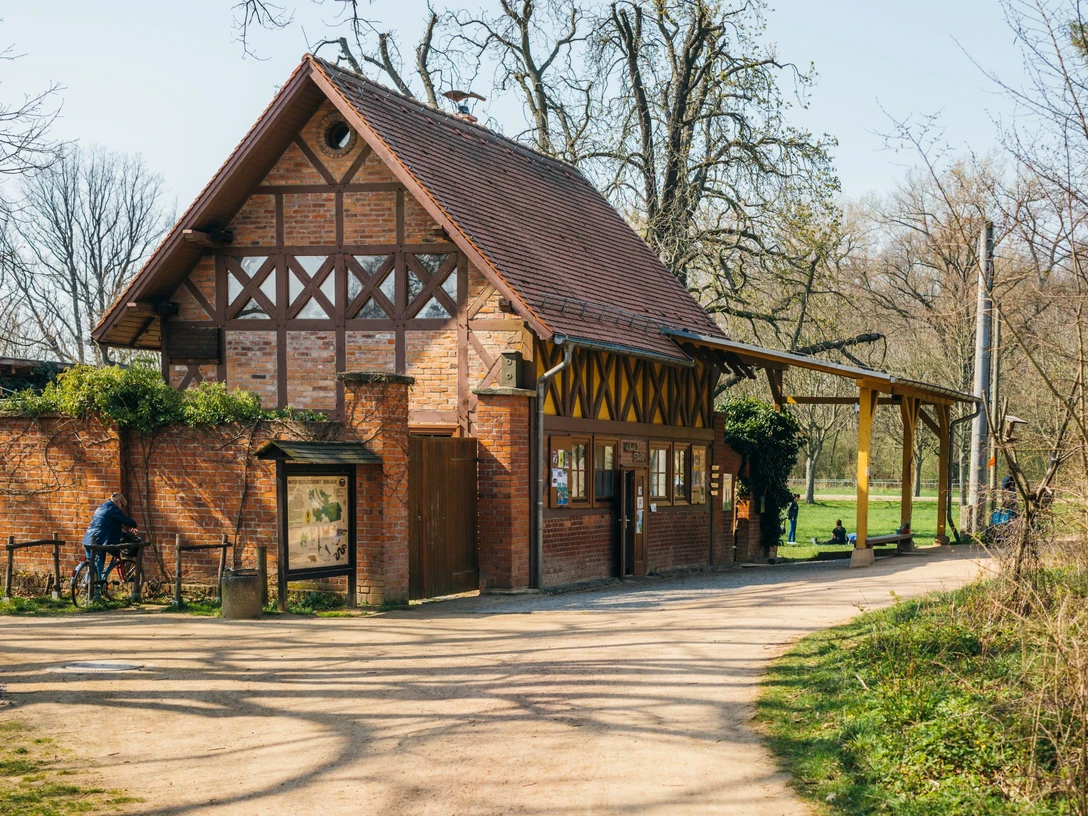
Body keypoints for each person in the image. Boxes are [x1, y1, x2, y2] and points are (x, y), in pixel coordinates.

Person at [82, 493, 138, 594]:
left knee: (91, 565)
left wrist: (122, 532)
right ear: (119, 502)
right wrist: (134, 524)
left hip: (88, 539)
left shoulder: (102, 507)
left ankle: (87, 586)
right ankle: (96, 593)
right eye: (123, 506)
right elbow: (126, 521)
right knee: (99, 565)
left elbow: (107, 525)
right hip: (99, 541)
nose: (122, 509)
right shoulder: (113, 509)